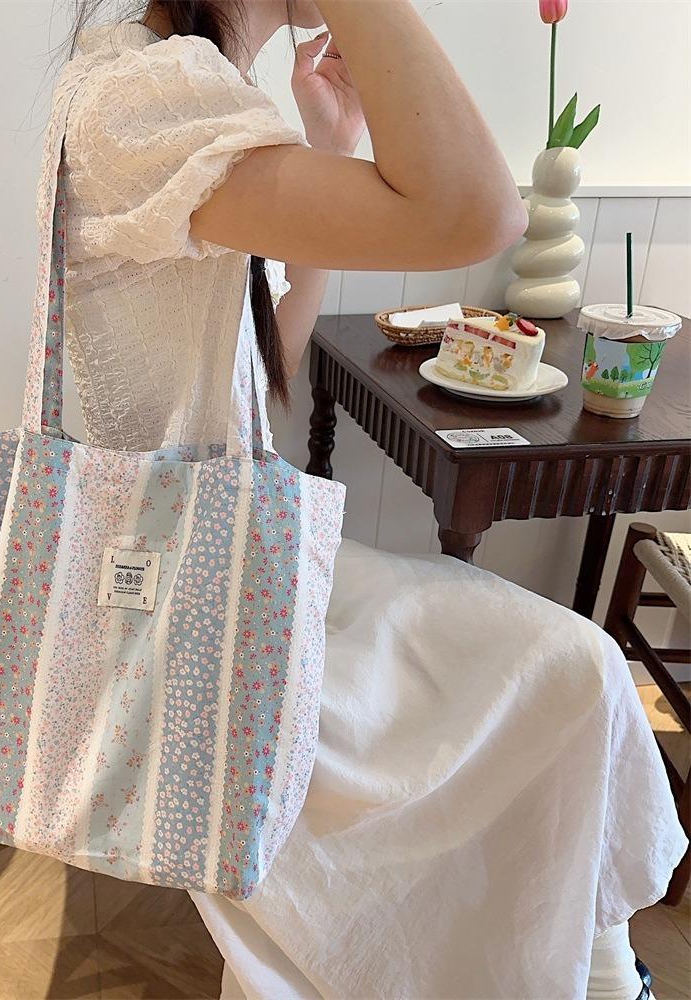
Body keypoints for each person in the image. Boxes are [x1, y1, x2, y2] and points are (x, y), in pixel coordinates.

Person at [43, 2, 686, 996]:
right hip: (179, 615)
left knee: (577, 671)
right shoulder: (148, 94)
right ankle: (580, 973)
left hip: (213, 563)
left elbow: (265, 366)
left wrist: (329, 148)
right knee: (572, 673)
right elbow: (482, 213)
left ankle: (584, 968)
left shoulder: (168, 79)